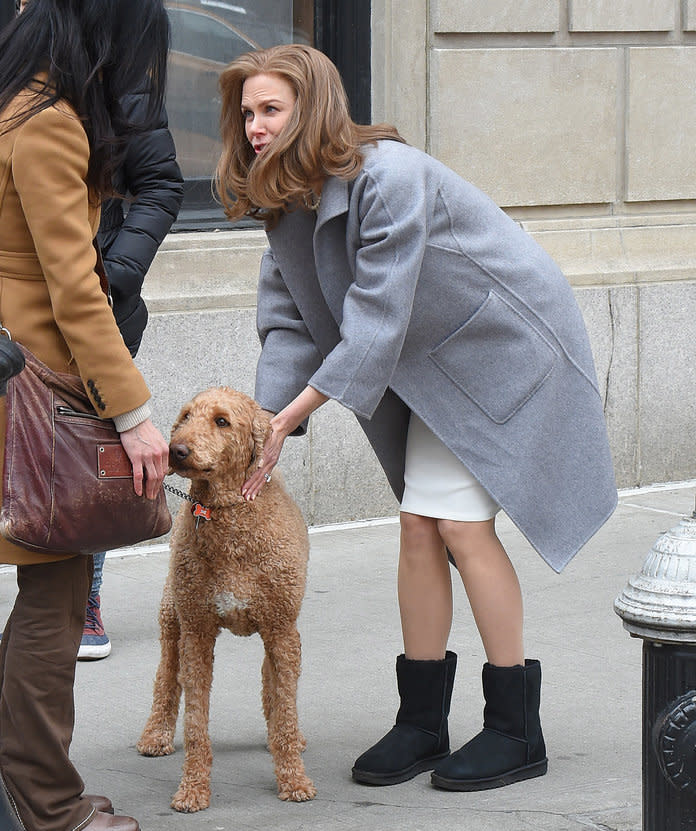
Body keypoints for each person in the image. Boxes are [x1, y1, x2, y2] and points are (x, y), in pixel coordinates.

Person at [215, 44, 618, 793]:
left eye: (272, 109)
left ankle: (515, 728)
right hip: (435, 367)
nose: (256, 127)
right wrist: (259, 429)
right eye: (248, 113)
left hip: (501, 351)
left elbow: (373, 324)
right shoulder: (288, 196)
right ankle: (422, 720)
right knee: (419, 523)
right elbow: (291, 323)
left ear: (313, 110)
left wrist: (280, 425)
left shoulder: (390, 177)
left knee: (461, 527)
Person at [0, 1, 171, 829]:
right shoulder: (49, 123)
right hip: (32, 394)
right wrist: (133, 412)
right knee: (57, 584)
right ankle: (51, 807)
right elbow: (74, 290)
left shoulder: (12, 102)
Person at [81, 94, 183, 662]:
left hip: (102, 304)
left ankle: (83, 602)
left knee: (86, 448)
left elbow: (161, 184)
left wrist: (114, 272)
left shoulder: (122, 80)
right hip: (18, 294)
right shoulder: (19, 71)